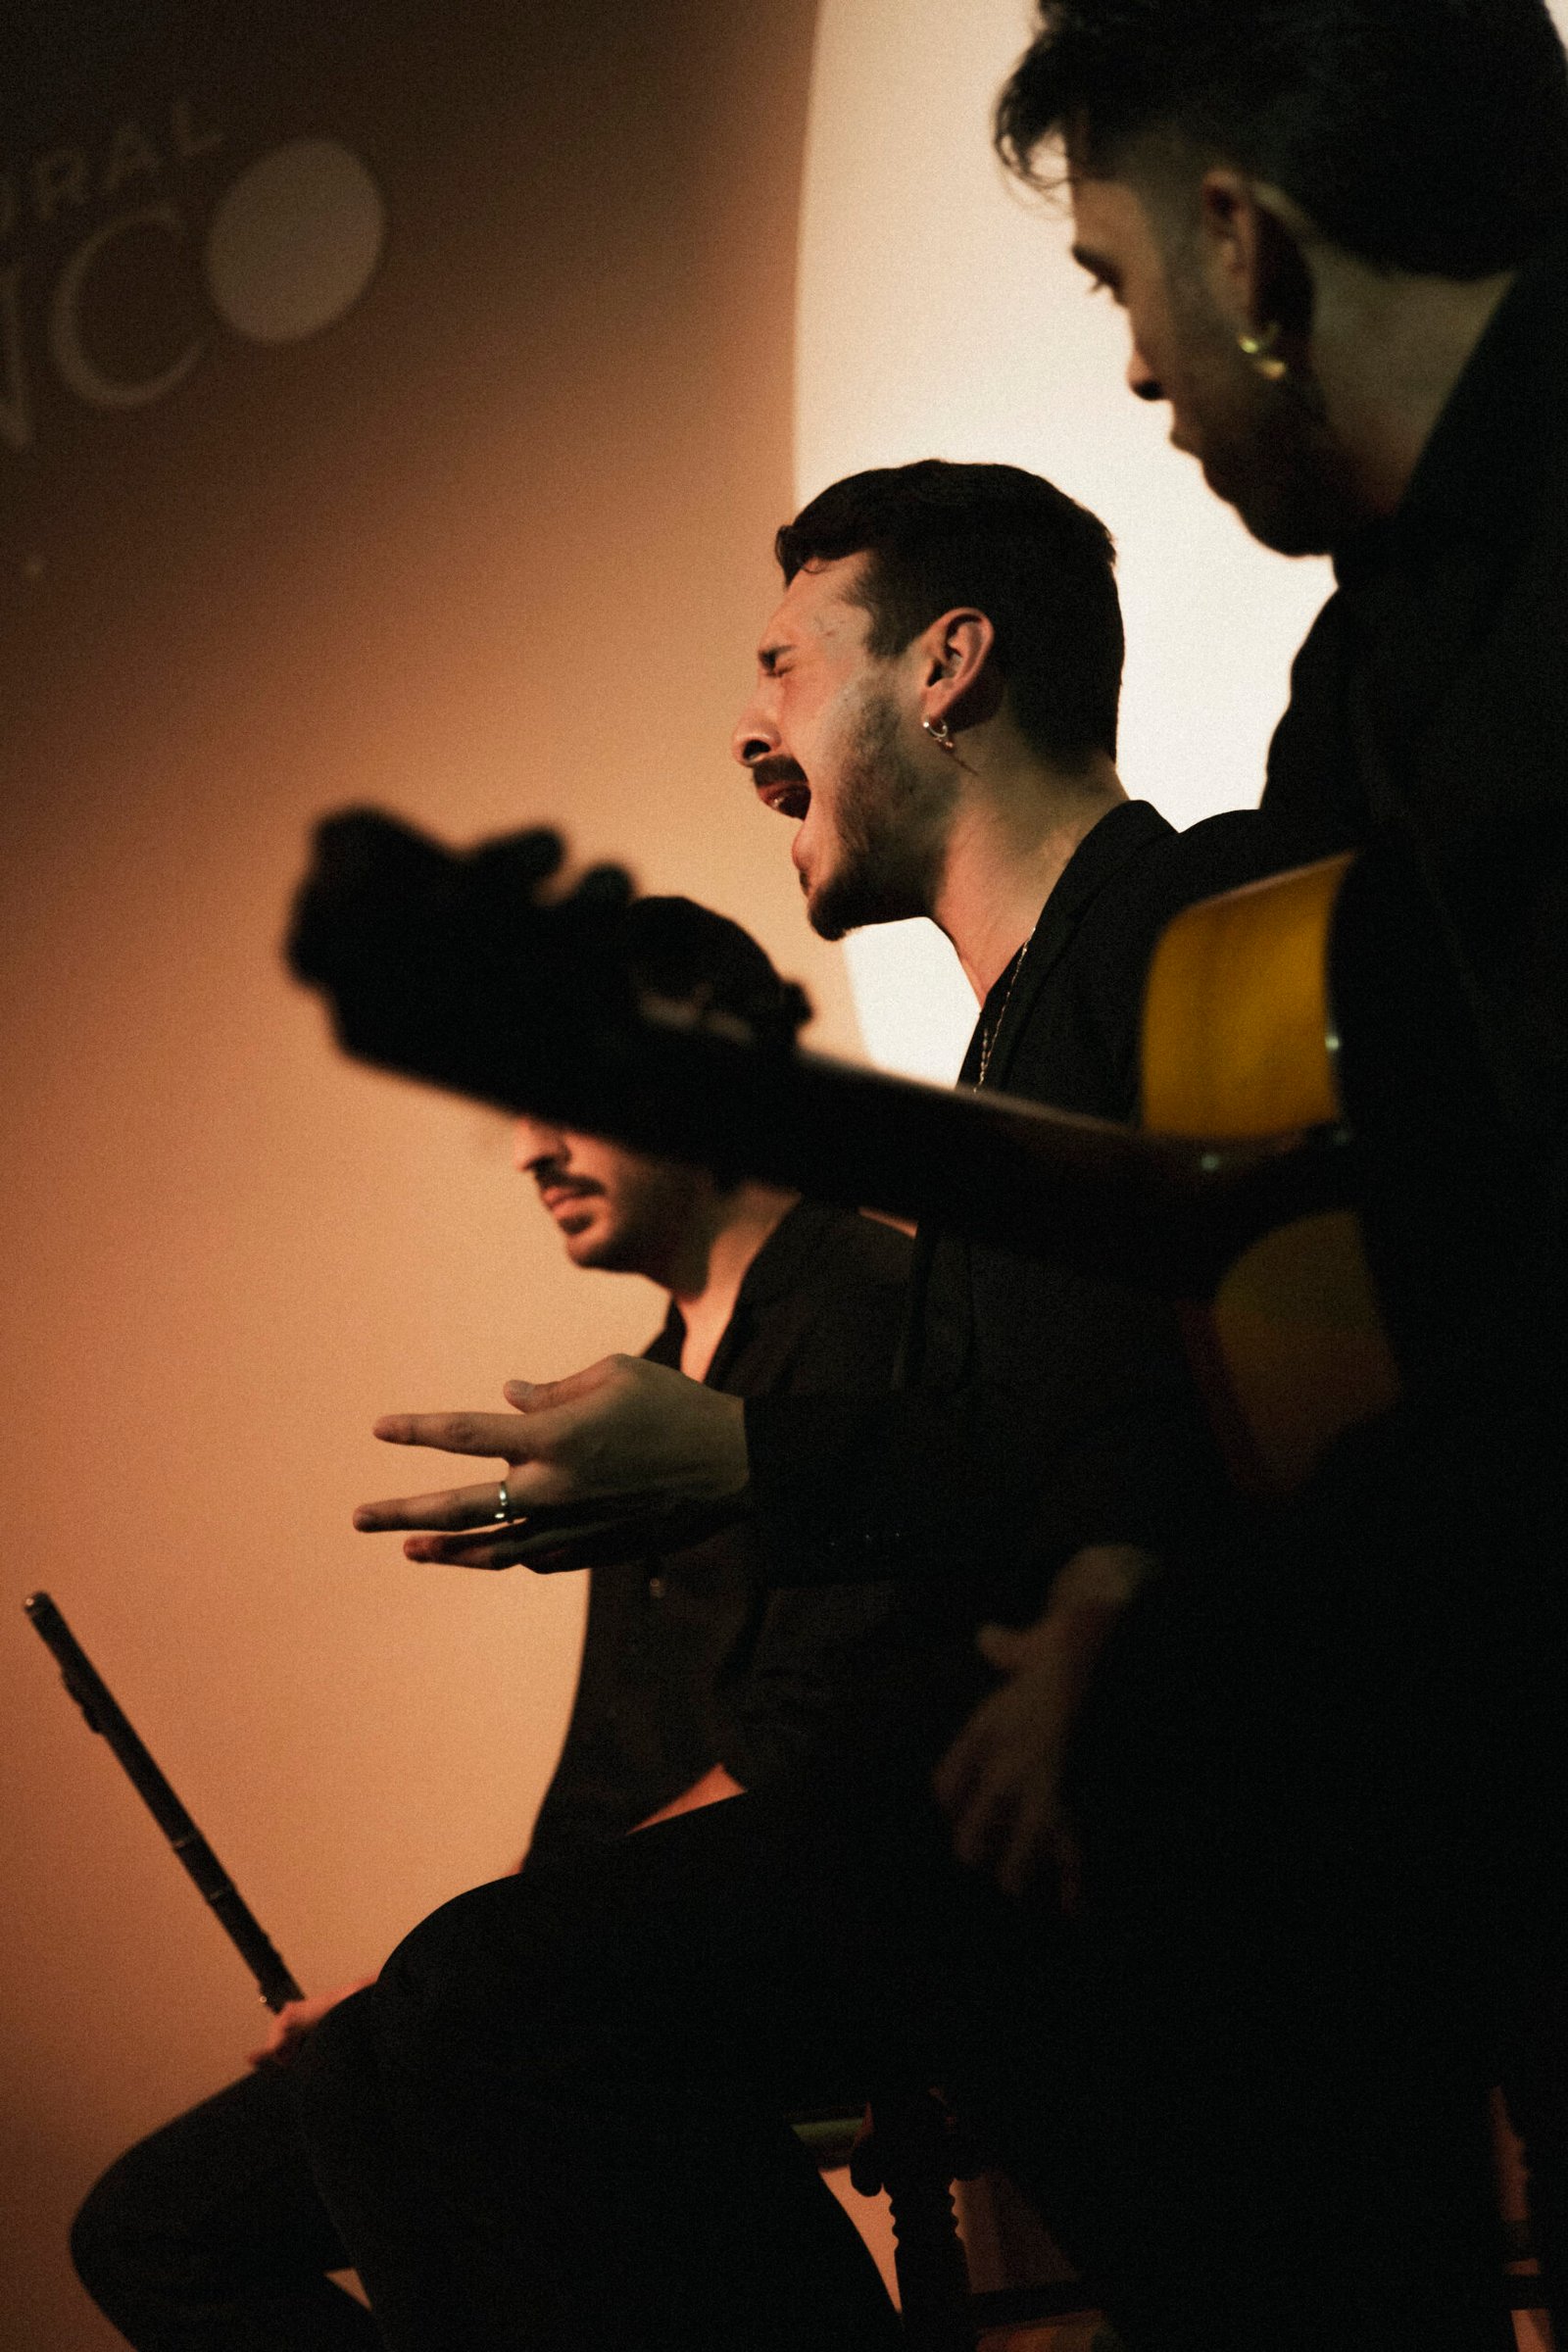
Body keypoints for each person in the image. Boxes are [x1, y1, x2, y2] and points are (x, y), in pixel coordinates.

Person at [292, 459, 1274, 2351]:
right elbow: (1068, 1437)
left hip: (1185, 1810)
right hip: (1062, 1827)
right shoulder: (1012, 1047)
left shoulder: (1176, 927)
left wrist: (746, 1458)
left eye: (785, 665)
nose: (752, 727)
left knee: (490, 2005)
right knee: (445, 2020)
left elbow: (1182, 1413)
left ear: (950, 665)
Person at [69, 897, 908, 2352]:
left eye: (562, 1093)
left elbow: (819, 1735)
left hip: (840, 1904)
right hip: (646, 1924)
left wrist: (463, 1964)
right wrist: (416, 1975)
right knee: (155, 2223)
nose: (529, 1148)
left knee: (441, 2026)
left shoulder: (864, 1301)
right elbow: (616, 1775)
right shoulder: (653, 1373)